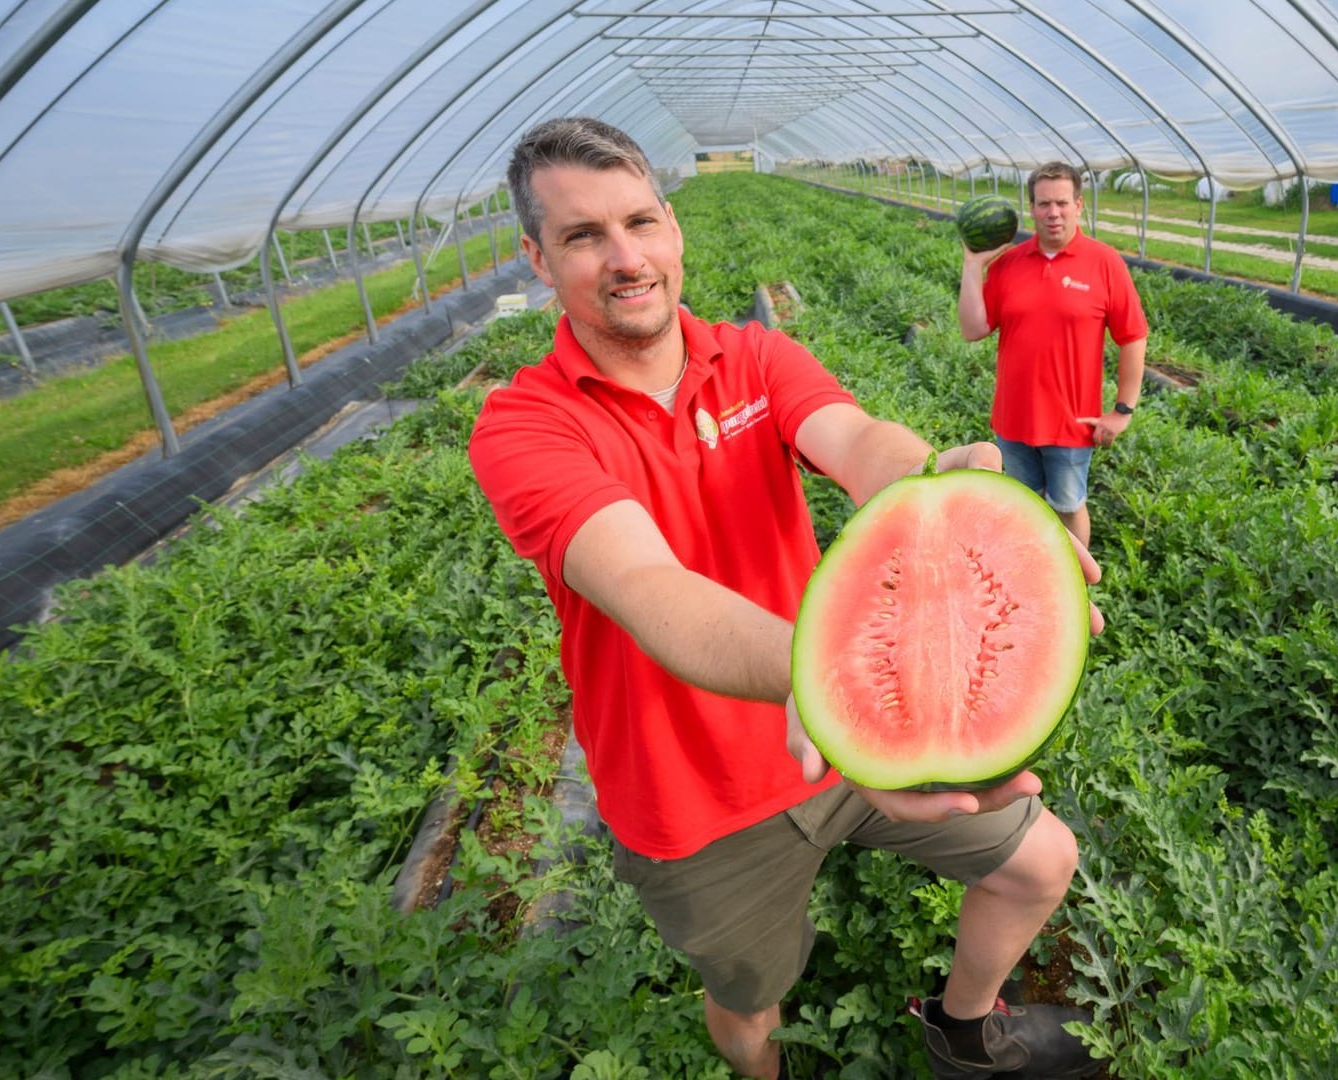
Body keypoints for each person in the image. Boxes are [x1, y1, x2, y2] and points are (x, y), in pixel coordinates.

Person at [467, 117, 1105, 1080]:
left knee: (1040, 861)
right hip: (698, 796)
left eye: (639, 222)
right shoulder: (526, 425)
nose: (625, 257)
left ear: (675, 228)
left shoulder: (755, 359)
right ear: (536, 257)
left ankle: (963, 1028)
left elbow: (858, 442)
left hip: (850, 733)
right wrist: (839, 688)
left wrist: (939, 484)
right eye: (582, 236)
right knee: (751, 1002)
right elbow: (648, 586)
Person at [957, 162, 1149, 549]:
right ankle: (1029, 578)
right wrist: (973, 264)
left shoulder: (1104, 262)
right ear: (1031, 208)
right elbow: (973, 329)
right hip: (1013, 420)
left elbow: (1133, 337)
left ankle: (1077, 585)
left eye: (1062, 202)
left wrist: (1122, 410)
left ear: (1079, 205)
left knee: (1067, 506)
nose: (1053, 213)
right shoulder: (1009, 264)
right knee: (1020, 509)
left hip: (1071, 424)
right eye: (1044, 204)